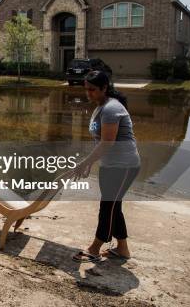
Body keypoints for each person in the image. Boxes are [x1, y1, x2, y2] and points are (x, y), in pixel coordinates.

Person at [71, 70, 140, 263]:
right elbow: (100, 141)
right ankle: (123, 249)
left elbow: (107, 142)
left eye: (92, 90)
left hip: (124, 165)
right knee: (113, 206)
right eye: (86, 89)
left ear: (104, 88)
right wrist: (90, 162)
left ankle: (94, 249)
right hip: (111, 165)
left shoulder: (111, 108)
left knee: (107, 206)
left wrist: (85, 163)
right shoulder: (100, 106)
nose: (88, 93)